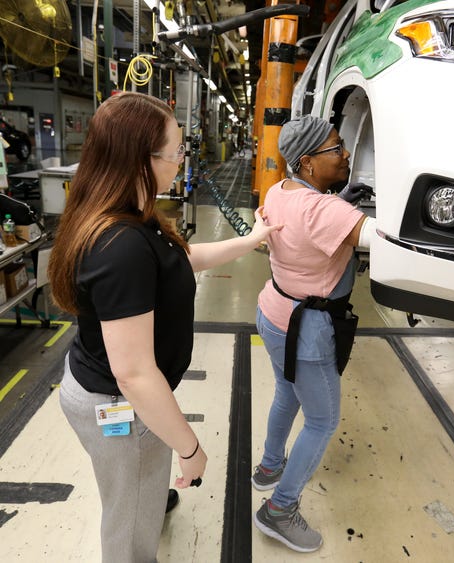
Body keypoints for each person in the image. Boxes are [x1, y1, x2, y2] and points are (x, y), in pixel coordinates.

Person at [48, 92, 281, 563]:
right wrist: (189, 448)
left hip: (113, 392)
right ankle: (140, 496)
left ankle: (144, 489)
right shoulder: (121, 246)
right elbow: (134, 375)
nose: (180, 160)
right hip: (117, 404)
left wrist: (251, 240)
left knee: (133, 490)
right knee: (129, 532)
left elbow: (179, 261)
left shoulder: (133, 214)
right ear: (141, 159)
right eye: (174, 151)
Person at [252, 115, 375, 553]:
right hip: (307, 330)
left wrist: (340, 198)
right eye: (336, 148)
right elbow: (385, 239)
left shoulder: (278, 189)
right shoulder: (325, 210)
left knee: (287, 394)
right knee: (321, 421)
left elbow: (307, 216)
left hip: (273, 311)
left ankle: (269, 468)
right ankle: (279, 509)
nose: (346, 155)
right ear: (306, 163)